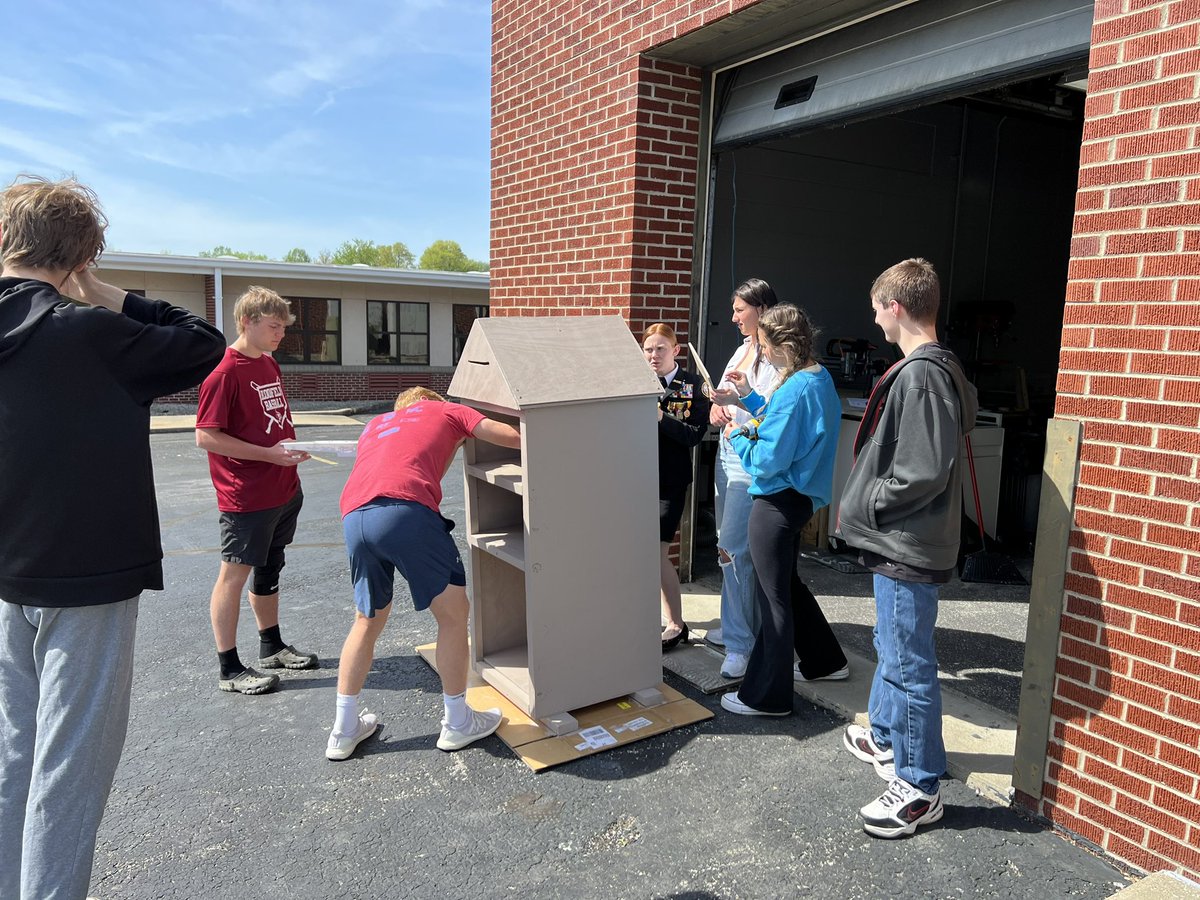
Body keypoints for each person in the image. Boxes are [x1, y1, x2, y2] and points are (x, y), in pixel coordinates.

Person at [0, 175, 225, 900]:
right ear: (77, 255)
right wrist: (99, 289)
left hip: (7, 577)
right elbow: (202, 344)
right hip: (87, 579)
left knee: (14, 757)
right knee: (69, 771)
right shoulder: (87, 330)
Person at [835, 258, 977, 839]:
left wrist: (868, 504)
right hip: (907, 542)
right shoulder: (937, 368)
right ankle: (889, 737)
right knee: (892, 646)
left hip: (905, 543)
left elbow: (920, 469)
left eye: (877, 308)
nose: (875, 320)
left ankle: (919, 787)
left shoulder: (920, 374)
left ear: (895, 306)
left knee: (909, 662)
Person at [326, 387, 522, 760]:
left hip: (355, 517)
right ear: (431, 401)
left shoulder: (376, 424)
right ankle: (458, 722)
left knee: (367, 620)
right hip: (406, 511)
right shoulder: (449, 412)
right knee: (452, 616)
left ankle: (343, 729)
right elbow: (511, 436)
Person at [718, 303, 848, 717]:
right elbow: (785, 424)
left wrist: (735, 432)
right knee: (787, 585)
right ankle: (826, 661)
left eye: (763, 346)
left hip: (777, 499)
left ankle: (766, 696)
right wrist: (749, 397)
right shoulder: (816, 376)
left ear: (781, 346)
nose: (760, 354)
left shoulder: (795, 389)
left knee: (772, 599)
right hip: (798, 497)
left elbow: (767, 458)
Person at [196, 286, 318, 695]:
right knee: (234, 574)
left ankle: (271, 645)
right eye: (273, 326)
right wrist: (267, 456)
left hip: (283, 488)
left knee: (270, 567)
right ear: (246, 321)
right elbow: (206, 437)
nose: (280, 334)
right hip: (246, 496)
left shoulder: (268, 364)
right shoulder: (224, 373)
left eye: (283, 327)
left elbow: (274, 419)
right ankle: (229, 668)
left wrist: (292, 451)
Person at [707, 277, 781, 678]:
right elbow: (721, 395)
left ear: (762, 309)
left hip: (748, 455)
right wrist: (715, 408)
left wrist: (737, 403)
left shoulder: (776, 358)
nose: (733, 317)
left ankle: (740, 643)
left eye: (739, 310)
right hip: (726, 450)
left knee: (733, 548)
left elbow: (770, 412)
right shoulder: (740, 349)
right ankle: (737, 625)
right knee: (727, 545)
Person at [642, 323, 711, 650]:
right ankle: (648, 617)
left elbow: (694, 435)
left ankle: (675, 624)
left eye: (660, 349)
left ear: (676, 351)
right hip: (634, 479)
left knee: (656, 553)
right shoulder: (637, 383)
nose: (653, 356)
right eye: (648, 349)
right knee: (638, 554)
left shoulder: (693, 385)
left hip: (669, 483)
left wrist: (660, 418)